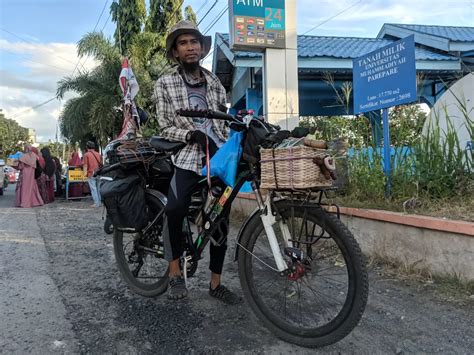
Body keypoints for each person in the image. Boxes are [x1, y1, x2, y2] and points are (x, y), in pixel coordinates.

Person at [154, 20, 240, 304]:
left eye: (194, 42)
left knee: (221, 219)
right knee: (175, 209)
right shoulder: (165, 83)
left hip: (215, 157)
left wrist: (231, 141)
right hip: (186, 156)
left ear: (202, 48)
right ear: (176, 52)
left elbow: (223, 121)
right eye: (183, 43)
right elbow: (165, 125)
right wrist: (189, 133)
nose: (190, 47)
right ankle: (175, 272)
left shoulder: (214, 82)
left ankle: (215, 284)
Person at [82, 141, 102, 207]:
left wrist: (84, 175)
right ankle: (100, 202)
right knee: (98, 188)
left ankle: (96, 203)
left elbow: (85, 165)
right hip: (99, 173)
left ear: (87, 147)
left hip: (91, 173)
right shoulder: (98, 154)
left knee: (93, 189)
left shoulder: (86, 155)